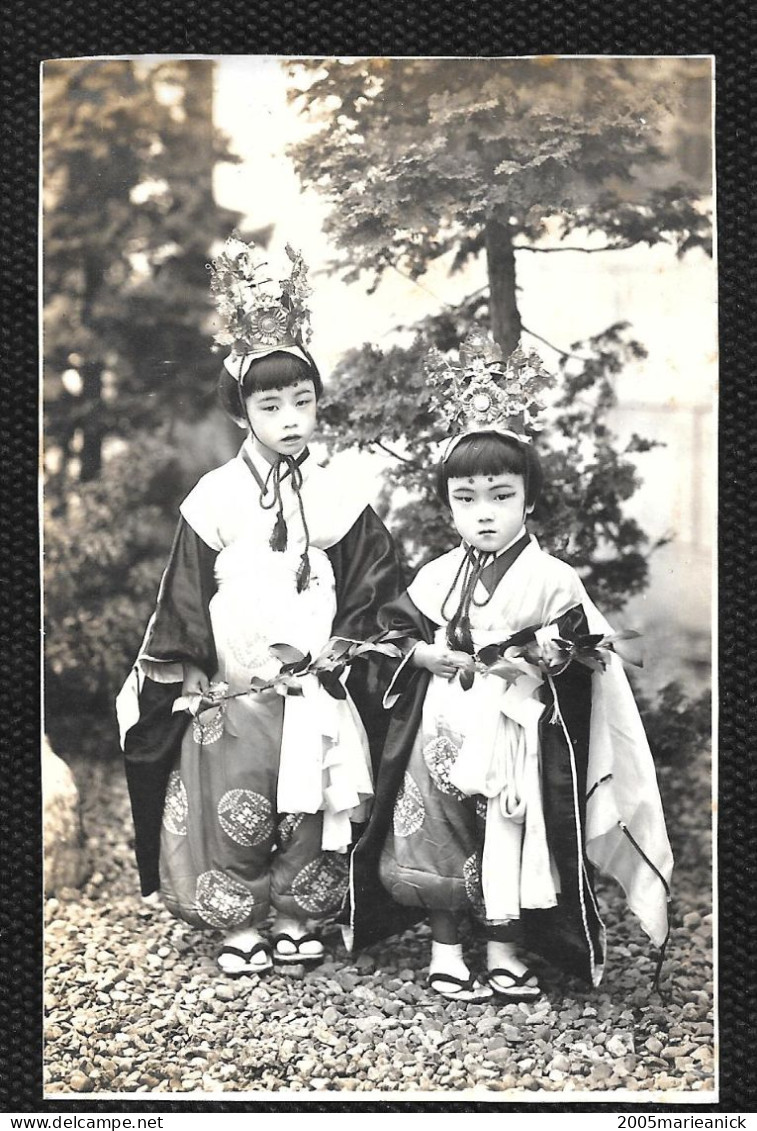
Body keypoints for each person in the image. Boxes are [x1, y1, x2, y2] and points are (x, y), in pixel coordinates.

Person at [347, 333, 673, 1004]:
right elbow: (392, 630)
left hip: (515, 727)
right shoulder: (440, 572)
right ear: (448, 507)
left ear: (529, 500)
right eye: (466, 498)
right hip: (443, 721)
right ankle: (443, 949)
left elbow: (593, 649)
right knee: (433, 831)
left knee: (511, 833)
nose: (484, 512)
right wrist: (421, 652)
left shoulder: (553, 578)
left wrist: (553, 659)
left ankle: (501, 950)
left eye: (499, 494)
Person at [116, 237, 402, 977]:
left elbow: (374, 577)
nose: (290, 417)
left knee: (309, 798)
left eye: (302, 401)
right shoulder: (215, 494)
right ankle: (236, 918)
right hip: (234, 682)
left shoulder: (340, 489)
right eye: (270, 404)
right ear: (242, 413)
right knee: (233, 802)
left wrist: (350, 641)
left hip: (314, 678)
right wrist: (184, 670)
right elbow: (181, 590)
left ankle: (298, 911)